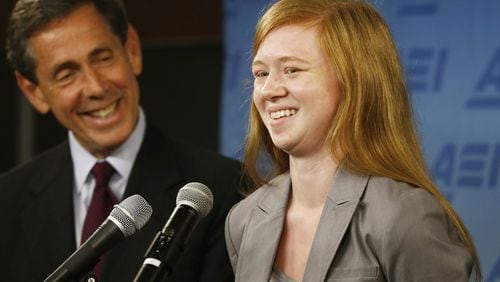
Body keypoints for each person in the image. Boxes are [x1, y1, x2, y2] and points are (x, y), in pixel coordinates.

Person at [224, 0, 482, 281]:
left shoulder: (404, 216)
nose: (268, 90)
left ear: (355, 81)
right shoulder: (243, 220)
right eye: (261, 73)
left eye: (292, 70)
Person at [0, 0, 243, 281]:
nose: (96, 87)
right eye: (67, 74)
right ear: (34, 92)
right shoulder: (6, 204)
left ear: (132, 50)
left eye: (103, 58)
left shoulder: (224, 190)